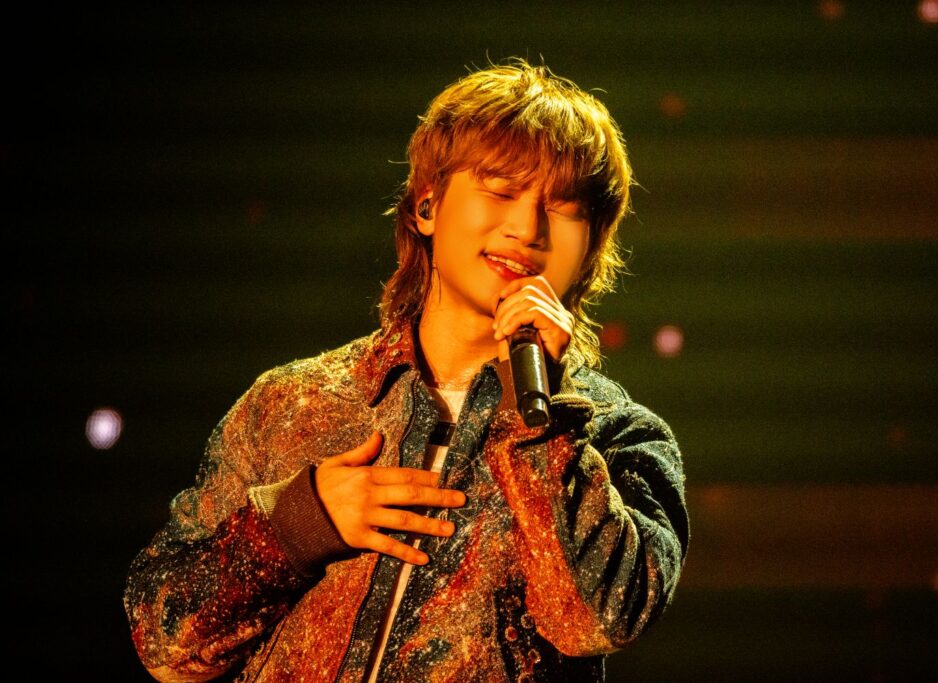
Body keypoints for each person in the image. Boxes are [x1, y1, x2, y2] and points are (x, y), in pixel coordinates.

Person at [124, 58, 689, 682]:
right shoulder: (292, 404)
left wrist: (540, 427)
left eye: (563, 208)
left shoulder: (618, 437)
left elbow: (596, 621)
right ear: (427, 206)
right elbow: (163, 641)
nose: (527, 228)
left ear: (591, 250)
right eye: (501, 191)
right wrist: (297, 525)